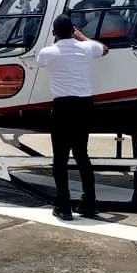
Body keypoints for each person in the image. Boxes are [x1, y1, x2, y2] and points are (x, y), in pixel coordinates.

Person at [36, 13, 108, 221]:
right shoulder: (86, 48)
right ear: (73, 31)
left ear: (54, 33)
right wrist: (81, 37)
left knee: (60, 159)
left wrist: (58, 40)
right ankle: (89, 202)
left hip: (62, 107)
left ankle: (64, 206)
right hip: (84, 106)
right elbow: (104, 49)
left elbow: (41, 61)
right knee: (81, 155)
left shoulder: (48, 52)